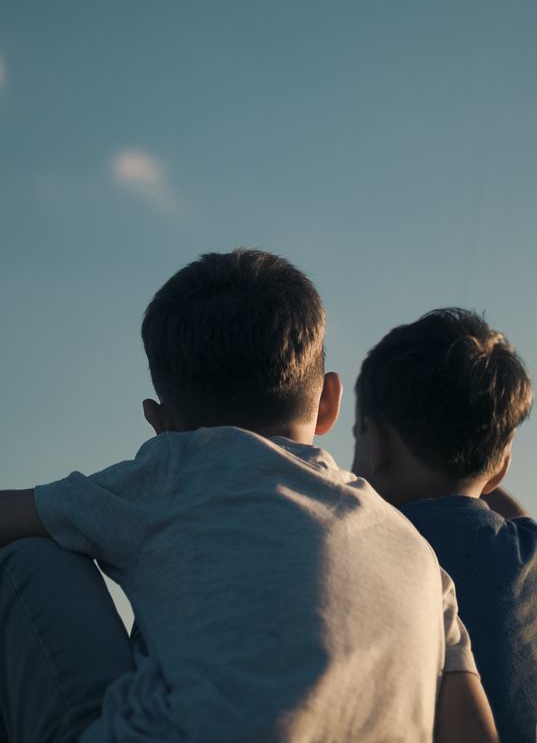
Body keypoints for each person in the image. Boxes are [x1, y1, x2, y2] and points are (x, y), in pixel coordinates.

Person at [0, 254, 495, 743]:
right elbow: (472, 728)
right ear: (329, 402)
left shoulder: (174, 469)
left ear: (161, 424)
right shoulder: (417, 553)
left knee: (33, 553)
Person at [352, 307, 536, 743]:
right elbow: (518, 516)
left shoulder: (363, 545)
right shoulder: (527, 553)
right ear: (501, 468)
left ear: (376, 442)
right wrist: (487, 462)